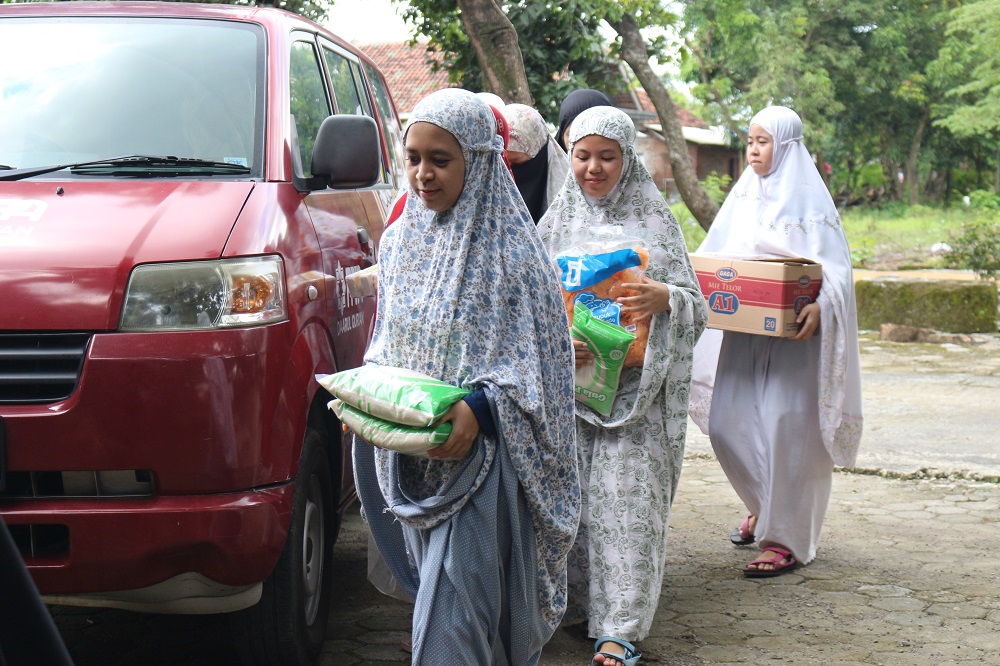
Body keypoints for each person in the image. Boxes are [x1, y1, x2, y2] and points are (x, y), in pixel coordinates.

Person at [353, 87, 581, 666]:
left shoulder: (515, 255)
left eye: (441, 159)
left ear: (478, 161)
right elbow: (391, 341)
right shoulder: (401, 243)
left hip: (482, 467)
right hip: (414, 459)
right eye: (413, 157)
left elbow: (545, 369)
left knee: (457, 623)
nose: (423, 174)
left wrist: (482, 409)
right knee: (447, 606)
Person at [537, 106, 707, 666]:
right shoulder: (553, 225)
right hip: (571, 398)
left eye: (607, 156)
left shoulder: (658, 224)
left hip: (638, 401)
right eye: (582, 156)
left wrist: (668, 299)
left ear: (627, 159)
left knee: (626, 508)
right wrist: (563, 341)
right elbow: (529, 310)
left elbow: (697, 309)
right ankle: (576, 606)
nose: (593, 168)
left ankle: (620, 630)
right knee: (574, 509)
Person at [688, 105, 863, 577]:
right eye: (750, 141)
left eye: (763, 142)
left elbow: (840, 273)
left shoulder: (812, 206)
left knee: (788, 429)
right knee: (726, 422)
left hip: (797, 340)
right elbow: (713, 257)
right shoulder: (743, 198)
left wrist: (821, 307)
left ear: (785, 146)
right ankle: (763, 505)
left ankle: (785, 539)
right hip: (746, 334)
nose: (753, 150)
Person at [504, 103, 570, 223]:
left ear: (541, 154)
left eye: (517, 163)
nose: (509, 173)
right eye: (502, 164)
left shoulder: (569, 200)